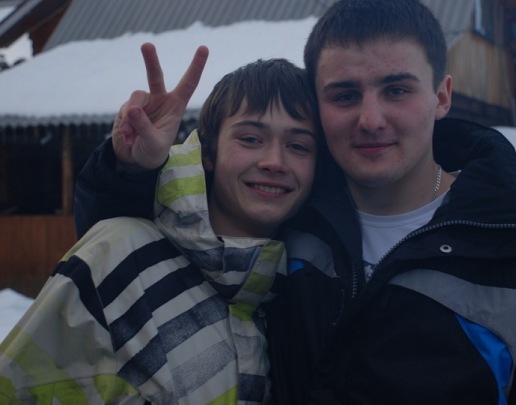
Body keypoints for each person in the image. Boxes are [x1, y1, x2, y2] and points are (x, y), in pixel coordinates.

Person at [74, 0, 516, 403]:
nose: (370, 119)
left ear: (442, 96)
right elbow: (156, 255)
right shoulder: (291, 214)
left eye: (397, 90)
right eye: (345, 95)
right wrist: (131, 170)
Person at [0, 43, 321, 404]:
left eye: (298, 146)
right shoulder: (120, 251)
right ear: (208, 152)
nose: (274, 161)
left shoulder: (303, 293)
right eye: (250, 139)